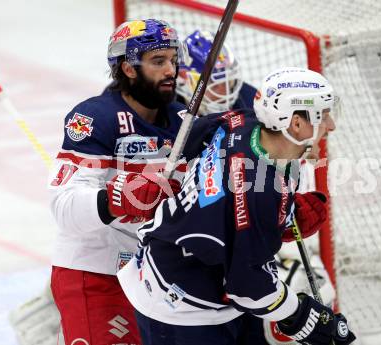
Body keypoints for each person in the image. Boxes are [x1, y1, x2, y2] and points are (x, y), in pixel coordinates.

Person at [118, 67, 356, 345]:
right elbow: (248, 288)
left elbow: (191, 138)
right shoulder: (262, 192)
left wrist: (282, 214)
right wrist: (302, 314)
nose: (331, 126)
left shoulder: (244, 121)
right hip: (182, 309)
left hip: (201, 280)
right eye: (323, 115)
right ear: (296, 124)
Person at [177, 30, 336, 345]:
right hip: (189, 254)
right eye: (216, 82)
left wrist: (285, 211)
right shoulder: (168, 109)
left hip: (237, 232)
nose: (227, 90)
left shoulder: (252, 104)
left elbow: (281, 161)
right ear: (187, 81)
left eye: (230, 80)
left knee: (311, 291)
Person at [46, 19, 186, 345]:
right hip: (96, 274)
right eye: (158, 61)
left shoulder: (184, 121)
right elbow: (64, 207)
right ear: (129, 68)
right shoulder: (95, 118)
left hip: (159, 277)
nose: (171, 71)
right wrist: (115, 198)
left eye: (173, 60)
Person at [176, 30, 257, 115]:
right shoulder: (166, 110)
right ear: (184, 80)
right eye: (213, 84)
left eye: (229, 82)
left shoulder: (251, 102)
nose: (225, 93)